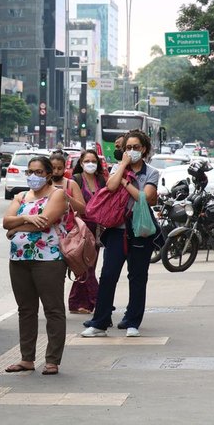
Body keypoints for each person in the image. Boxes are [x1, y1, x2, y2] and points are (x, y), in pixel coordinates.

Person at [82, 129, 159, 339]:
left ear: (144, 149)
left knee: (138, 277)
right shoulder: (118, 168)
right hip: (117, 230)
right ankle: (100, 322)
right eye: (128, 147)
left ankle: (133, 322)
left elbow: (145, 197)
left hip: (141, 230)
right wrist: (123, 167)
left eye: (136, 147)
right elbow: (110, 186)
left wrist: (126, 183)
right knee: (108, 275)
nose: (132, 151)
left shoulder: (151, 172)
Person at [3, 156, 68, 375]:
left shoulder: (57, 194)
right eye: (30, 172)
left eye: (39, 172)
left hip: (48, 259)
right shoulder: (21, 196)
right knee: (26, 310)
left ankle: (52, 360)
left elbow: (45, 222)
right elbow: (6, 221)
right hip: (19, 258)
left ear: (49, 174)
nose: (33, 176)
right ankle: (27, 359)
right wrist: (29, 219)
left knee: (53, 309)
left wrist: (16, 227)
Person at [51, 150, 93, 314]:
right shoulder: (43, 185)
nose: (56, 172)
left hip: (69, 235)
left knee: (70, 271)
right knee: (50, 275)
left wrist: (66, 198)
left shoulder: (70, 184)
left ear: (64, 168)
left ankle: (63, 305)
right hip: (47, 235)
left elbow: (83, 208)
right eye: (53, 168)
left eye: (59, 168)